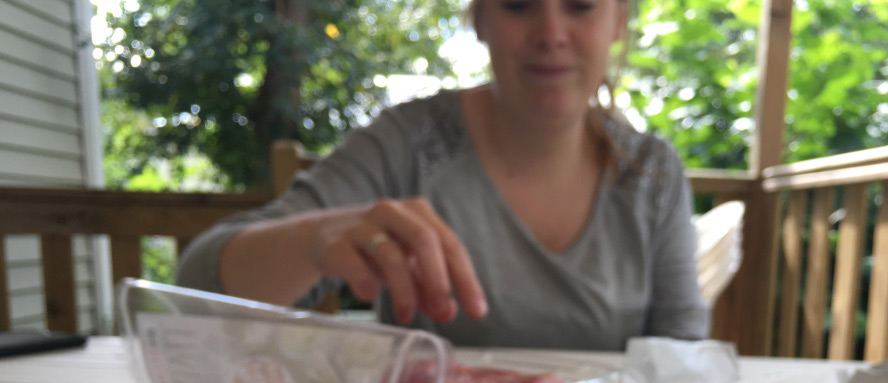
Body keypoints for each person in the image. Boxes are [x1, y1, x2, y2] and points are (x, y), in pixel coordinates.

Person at [177, 0, 710, 350]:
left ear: (618, 22)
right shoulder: (408, 141)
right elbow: (192, 291)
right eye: (519, 4)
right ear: (480, 19)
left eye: (580, 6)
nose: (551, 33)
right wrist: (315, 238)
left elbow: (682, 356)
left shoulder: (652, 172)